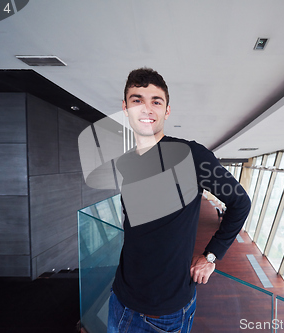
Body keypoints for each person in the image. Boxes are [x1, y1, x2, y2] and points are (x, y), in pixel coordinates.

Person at [108, 67, 251, 333]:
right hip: (120, 298)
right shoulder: (128, 163)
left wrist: (211, 255)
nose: (146, 109)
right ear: (125, 108)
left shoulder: (191, 155)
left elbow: (240, 202)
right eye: (137, 100)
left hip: (164, 312)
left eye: (156, 101)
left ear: (167, 110)